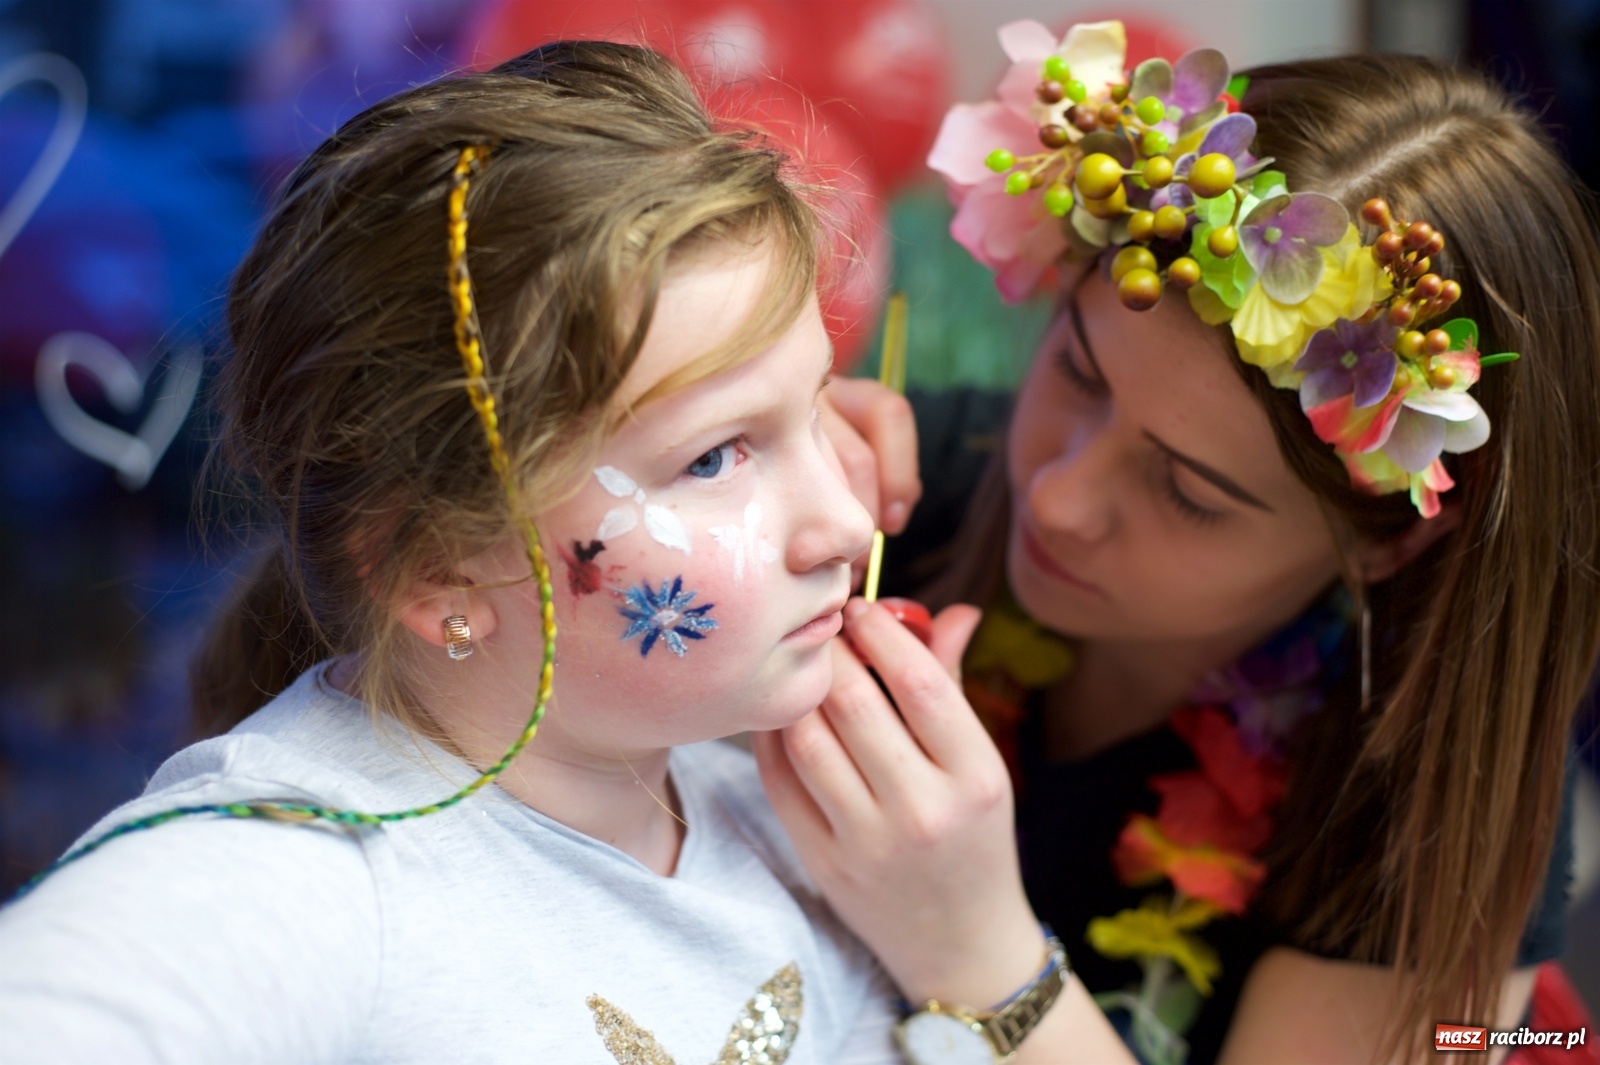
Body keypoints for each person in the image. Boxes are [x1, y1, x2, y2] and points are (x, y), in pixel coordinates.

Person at [0, 39, 932, 1064]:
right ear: (436, 565)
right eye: (715, 457)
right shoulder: (313, 874)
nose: (848, 524)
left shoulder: (797, 811)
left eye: (815, 411)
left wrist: (977, 938)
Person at [771, 19, 1600, 1065]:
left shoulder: (1437, 809)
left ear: (1389, 545)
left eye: (1187, 492)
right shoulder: (894, 487)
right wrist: (745, 451)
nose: (1061, 495)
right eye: (1076, 372)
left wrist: (976, 950)